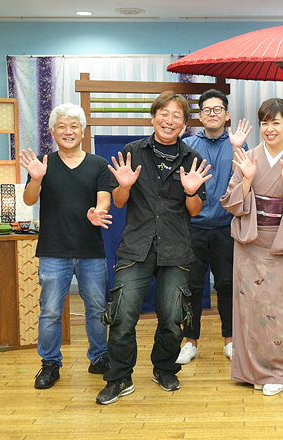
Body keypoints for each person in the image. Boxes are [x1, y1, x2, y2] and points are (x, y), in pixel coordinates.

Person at [95, 92, 212, 405]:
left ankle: (164, 367)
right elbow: (119, 202)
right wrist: (124, 186)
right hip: (136, 246)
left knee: (173, 318)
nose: (169, 120)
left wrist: (191, 192)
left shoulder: (192, 159)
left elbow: (195, 210)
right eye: (164, 113)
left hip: (176, 248)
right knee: (122, 315)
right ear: (153, 117)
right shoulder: (132, 152)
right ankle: (119, 377)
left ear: (184, 125)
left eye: (177, 116)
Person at [220, 98, 283, 396]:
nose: (269, 128)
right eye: (264, 123)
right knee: (246, 306)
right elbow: (231, 202)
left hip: (278, 243)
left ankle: (275, 372)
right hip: (248, 241)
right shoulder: (249, 156)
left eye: (276, 122)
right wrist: (247, 181)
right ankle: (247, 370)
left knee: (271, 309)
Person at [20, 103, 113, 389]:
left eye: (74, 126)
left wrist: (98, 212)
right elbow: (29, 200)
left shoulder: (98, 164)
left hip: (90, 250)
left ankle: (99, 357)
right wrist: (36, 179)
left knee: (97, 308)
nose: (68, 131)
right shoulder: (42, 163)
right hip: (53, 251)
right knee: (50, 311)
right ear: (52, 132)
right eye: (62, 126)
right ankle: (50, 363)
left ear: (83, 131)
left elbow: (105, 198)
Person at [176, 89, 251, 365]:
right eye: (206, 109)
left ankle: (230, 340)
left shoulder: (238, 144)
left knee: (227, 284)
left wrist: (238, 148)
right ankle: (190, 341)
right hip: (193, 226)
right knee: (192, 286)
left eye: (217, 109)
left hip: (225, 227)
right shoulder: (187, 144)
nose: (212, 114)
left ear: (226, 114)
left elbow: (245, 183)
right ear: (200, 115)